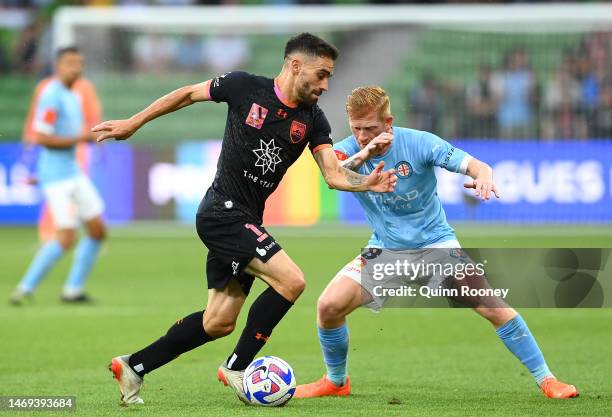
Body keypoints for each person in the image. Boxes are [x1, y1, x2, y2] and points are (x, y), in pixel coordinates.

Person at [92, 33, 397, 406]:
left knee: (217, 321)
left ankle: (134, 366)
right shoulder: (243, 87)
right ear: (295, 65)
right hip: (222, 211)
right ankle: (237, 367)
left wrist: (368, 182)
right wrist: (133, 123)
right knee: (292, 281)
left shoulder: (313, 120)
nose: (325, 85)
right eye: (321, 75)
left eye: (329, 77)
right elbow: (188, 93)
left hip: (246, 218)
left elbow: (333, 175)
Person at [294, 86, 578, 400]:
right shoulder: (349, 149)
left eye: (370, 128)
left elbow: (475, 164)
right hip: (386, 250)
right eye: (356, 128)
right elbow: (333, 177)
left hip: (435, 247)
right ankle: (336, 382)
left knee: (493, 308)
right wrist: (367, 153)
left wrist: (483, 175)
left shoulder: (420, 143)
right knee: (328, 306)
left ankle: (548, 380)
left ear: (389, 122)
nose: (362, 135)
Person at [10, 47, 106, 305]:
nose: (77, 68)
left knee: (97, 230)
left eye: (80, 63)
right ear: (58, 66)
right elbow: (41, 136)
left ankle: (73, 289)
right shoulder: (51, 94)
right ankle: (24, 288)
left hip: (72, 172)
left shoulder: (71, 95)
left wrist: (90, 135)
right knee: (66, 236)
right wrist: (82, 138)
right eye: (71, 63)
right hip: (57, 178)